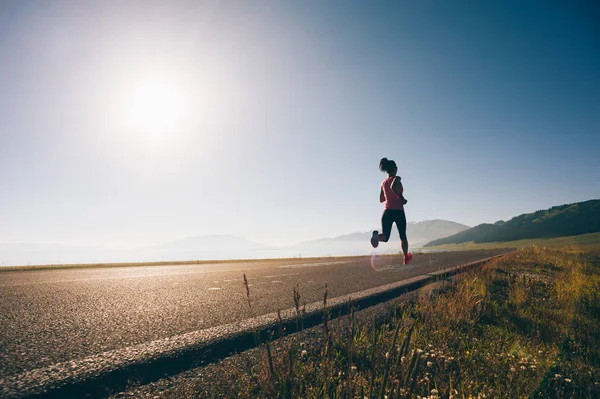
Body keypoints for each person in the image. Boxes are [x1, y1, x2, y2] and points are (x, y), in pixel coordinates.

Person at [370, 157, 412, 265]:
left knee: (385, 237)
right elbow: (394, 187)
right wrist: (402, 199)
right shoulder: (397, 178)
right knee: (403, 236)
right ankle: (405, 257)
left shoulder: (383, 183)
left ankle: (376, 237)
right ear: (394, 169)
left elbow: (381, 199)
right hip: (398, 211)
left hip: (387, 212)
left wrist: (388, 194)